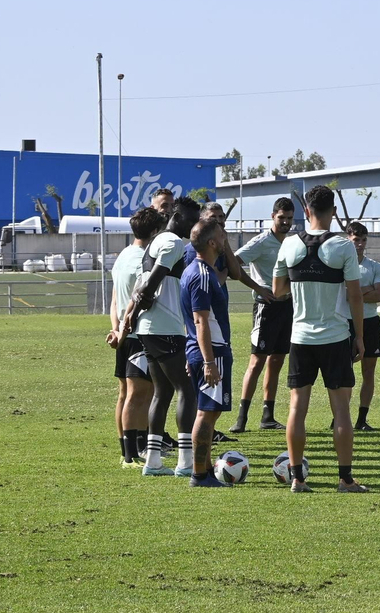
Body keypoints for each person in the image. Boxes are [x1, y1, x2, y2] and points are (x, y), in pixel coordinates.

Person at [271, 185, 368, 494]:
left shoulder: (288, 244)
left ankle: (297, 478)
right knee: (341, 410)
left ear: (307, 211)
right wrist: (360, 338)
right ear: (334, 213)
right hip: (336, 337)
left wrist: (302, 287)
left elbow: (277, 291)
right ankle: (345, 479)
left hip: (300, 337)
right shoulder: (343, 247)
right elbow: (355, 296)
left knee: (297, 408)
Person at [121, 195, 201, 477]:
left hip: (151, 328)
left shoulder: (156, 241)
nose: (194, 227)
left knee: (163, 391)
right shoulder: (172, 242)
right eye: (192, 221)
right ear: (177, 216)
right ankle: (185, 460)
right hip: (164, 326)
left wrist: (132, 317)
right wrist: (133, 314)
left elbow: (143, 287)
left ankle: (153, 461)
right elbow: (149, 285)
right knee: (187, 389)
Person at [230, 197, 296, 433]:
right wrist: (257, 287)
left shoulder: (291, 242)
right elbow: (234, 263)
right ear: (272, 217)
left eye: (289, 218)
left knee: (277, 361)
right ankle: (241, 417)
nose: (286, 222)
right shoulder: (261, 241)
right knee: (257, 361)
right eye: (281, 218)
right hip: (266, 308)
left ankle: (268, 416)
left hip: (287, 307)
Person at [105, 206, 164, 467]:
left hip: (124, 333)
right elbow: (138, 300)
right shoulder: (144, 259)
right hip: (138, 333)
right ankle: (132, 454)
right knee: (139, 394)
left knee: (127, 394)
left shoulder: (122, 256)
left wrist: (116, 328)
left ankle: (129, 450)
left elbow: (116, 298)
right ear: (154, 231)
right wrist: (125, 329)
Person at [183, 218, 235, 488]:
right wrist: (208, 361)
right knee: (206, 412)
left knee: (209, 412)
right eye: (221, 234)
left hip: (206, 351)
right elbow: (200, 321)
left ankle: (202, 471)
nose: (225, 236)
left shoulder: (199, 271)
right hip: (211, 352)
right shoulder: (202, 275)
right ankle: (199, 475)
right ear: (213, 243)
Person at [347, 222, 380, 431]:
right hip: (346, 322)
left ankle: (362, 419)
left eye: (363, 240)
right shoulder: (342, 265)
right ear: (348, 239)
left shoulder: (374, 266)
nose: (360, 244)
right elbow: (345, 296)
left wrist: (356, 293)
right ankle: (340, 416)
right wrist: (366, 289)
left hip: (370, 322)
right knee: (345, 372)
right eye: (356, 240)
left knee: (368, 372)